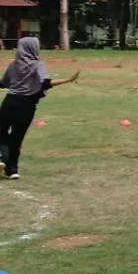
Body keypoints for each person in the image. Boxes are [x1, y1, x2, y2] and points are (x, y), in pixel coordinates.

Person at [1, 37, 80, 179]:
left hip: (9, 102)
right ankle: (12, 170)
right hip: (26, 105)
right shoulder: (38, 65)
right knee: (17, 137)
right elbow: (45, 83)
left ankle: (4, 160)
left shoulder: (13, 65)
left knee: (1, 132)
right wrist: (67, 80)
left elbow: (3, 83)